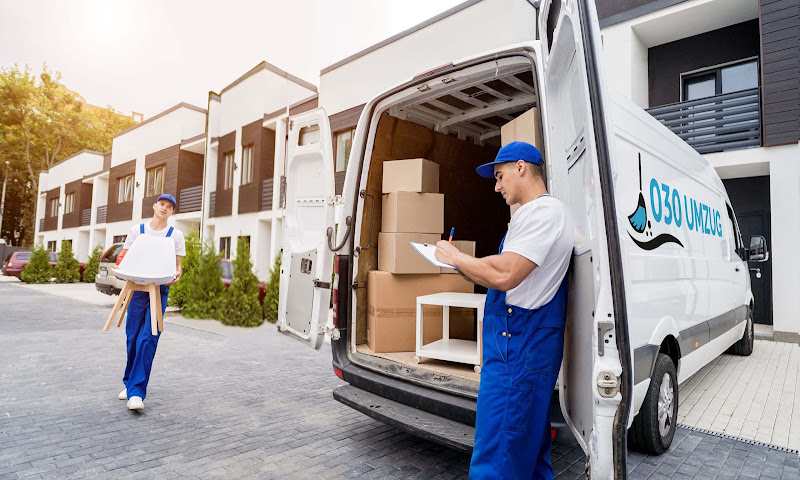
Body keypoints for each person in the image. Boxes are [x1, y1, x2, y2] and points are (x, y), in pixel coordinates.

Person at [434, 141, 573, 479]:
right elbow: (503, 269)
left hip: (518, 351)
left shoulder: (544, 212)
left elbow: (506, 274)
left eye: (499, 176)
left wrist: (455, 257)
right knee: (528, 453)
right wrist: (466, 265)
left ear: (521, 167)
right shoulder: (535, 214)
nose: (496, 186)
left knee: (498, 457)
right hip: (523, 348)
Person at [117, 193, 185, 411]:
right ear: (154, 206)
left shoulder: (175, 235)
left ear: (172, 212)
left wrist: (177, 274)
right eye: (162, 204)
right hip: (137, 289)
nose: (164, 208)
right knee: (133, 336)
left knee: (148, 337)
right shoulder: (138, 231)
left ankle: (136, 391)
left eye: (169, 207)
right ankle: (129, 383)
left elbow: (177, 267)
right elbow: (123, 258)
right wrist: (121, 270)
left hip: (160, 291)